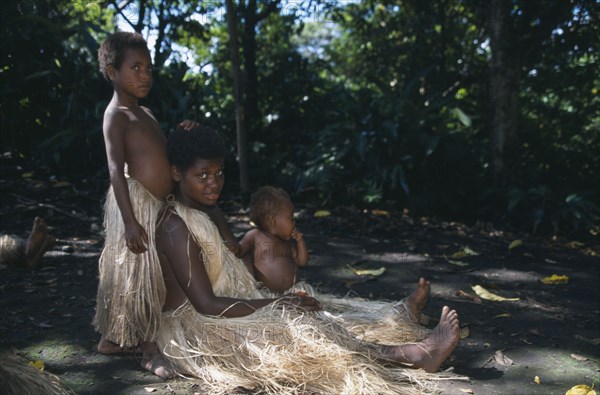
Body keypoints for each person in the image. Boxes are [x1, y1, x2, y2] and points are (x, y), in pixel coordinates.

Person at [154, 125, 461, 393]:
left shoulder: (207, 210)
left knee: (312, 310)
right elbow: (206, 305)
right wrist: (274, 304)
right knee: (298, 326)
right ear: (177, 173)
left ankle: (398, 321)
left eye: (219, 173)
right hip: (197, 326)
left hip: (221, 304)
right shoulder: (174, 226)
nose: (214, 183)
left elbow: (231, 254)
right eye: (202, 175)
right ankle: (412, 354)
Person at [92, 31, 195, 379]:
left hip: (160, 204)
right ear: (112, 72)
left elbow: (163, 155)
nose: (145, 75)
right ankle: (149, 350)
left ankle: (113, 340)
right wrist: (131, 221)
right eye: (135, 67)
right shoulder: (115, 115)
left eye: (148, 68)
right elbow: (115, 170)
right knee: (143, 276)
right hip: (135, 206)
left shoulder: (146, 112)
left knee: (160, 274)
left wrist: (182, 134)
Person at [240, 186, 308, 293]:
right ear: (273, 220)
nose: (294, 223)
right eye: (291, 218)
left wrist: (300, 241)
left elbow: (302, 262)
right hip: (267, 296)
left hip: (294, 293)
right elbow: (236, 253)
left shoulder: (287, 242)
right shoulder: (255, 236)